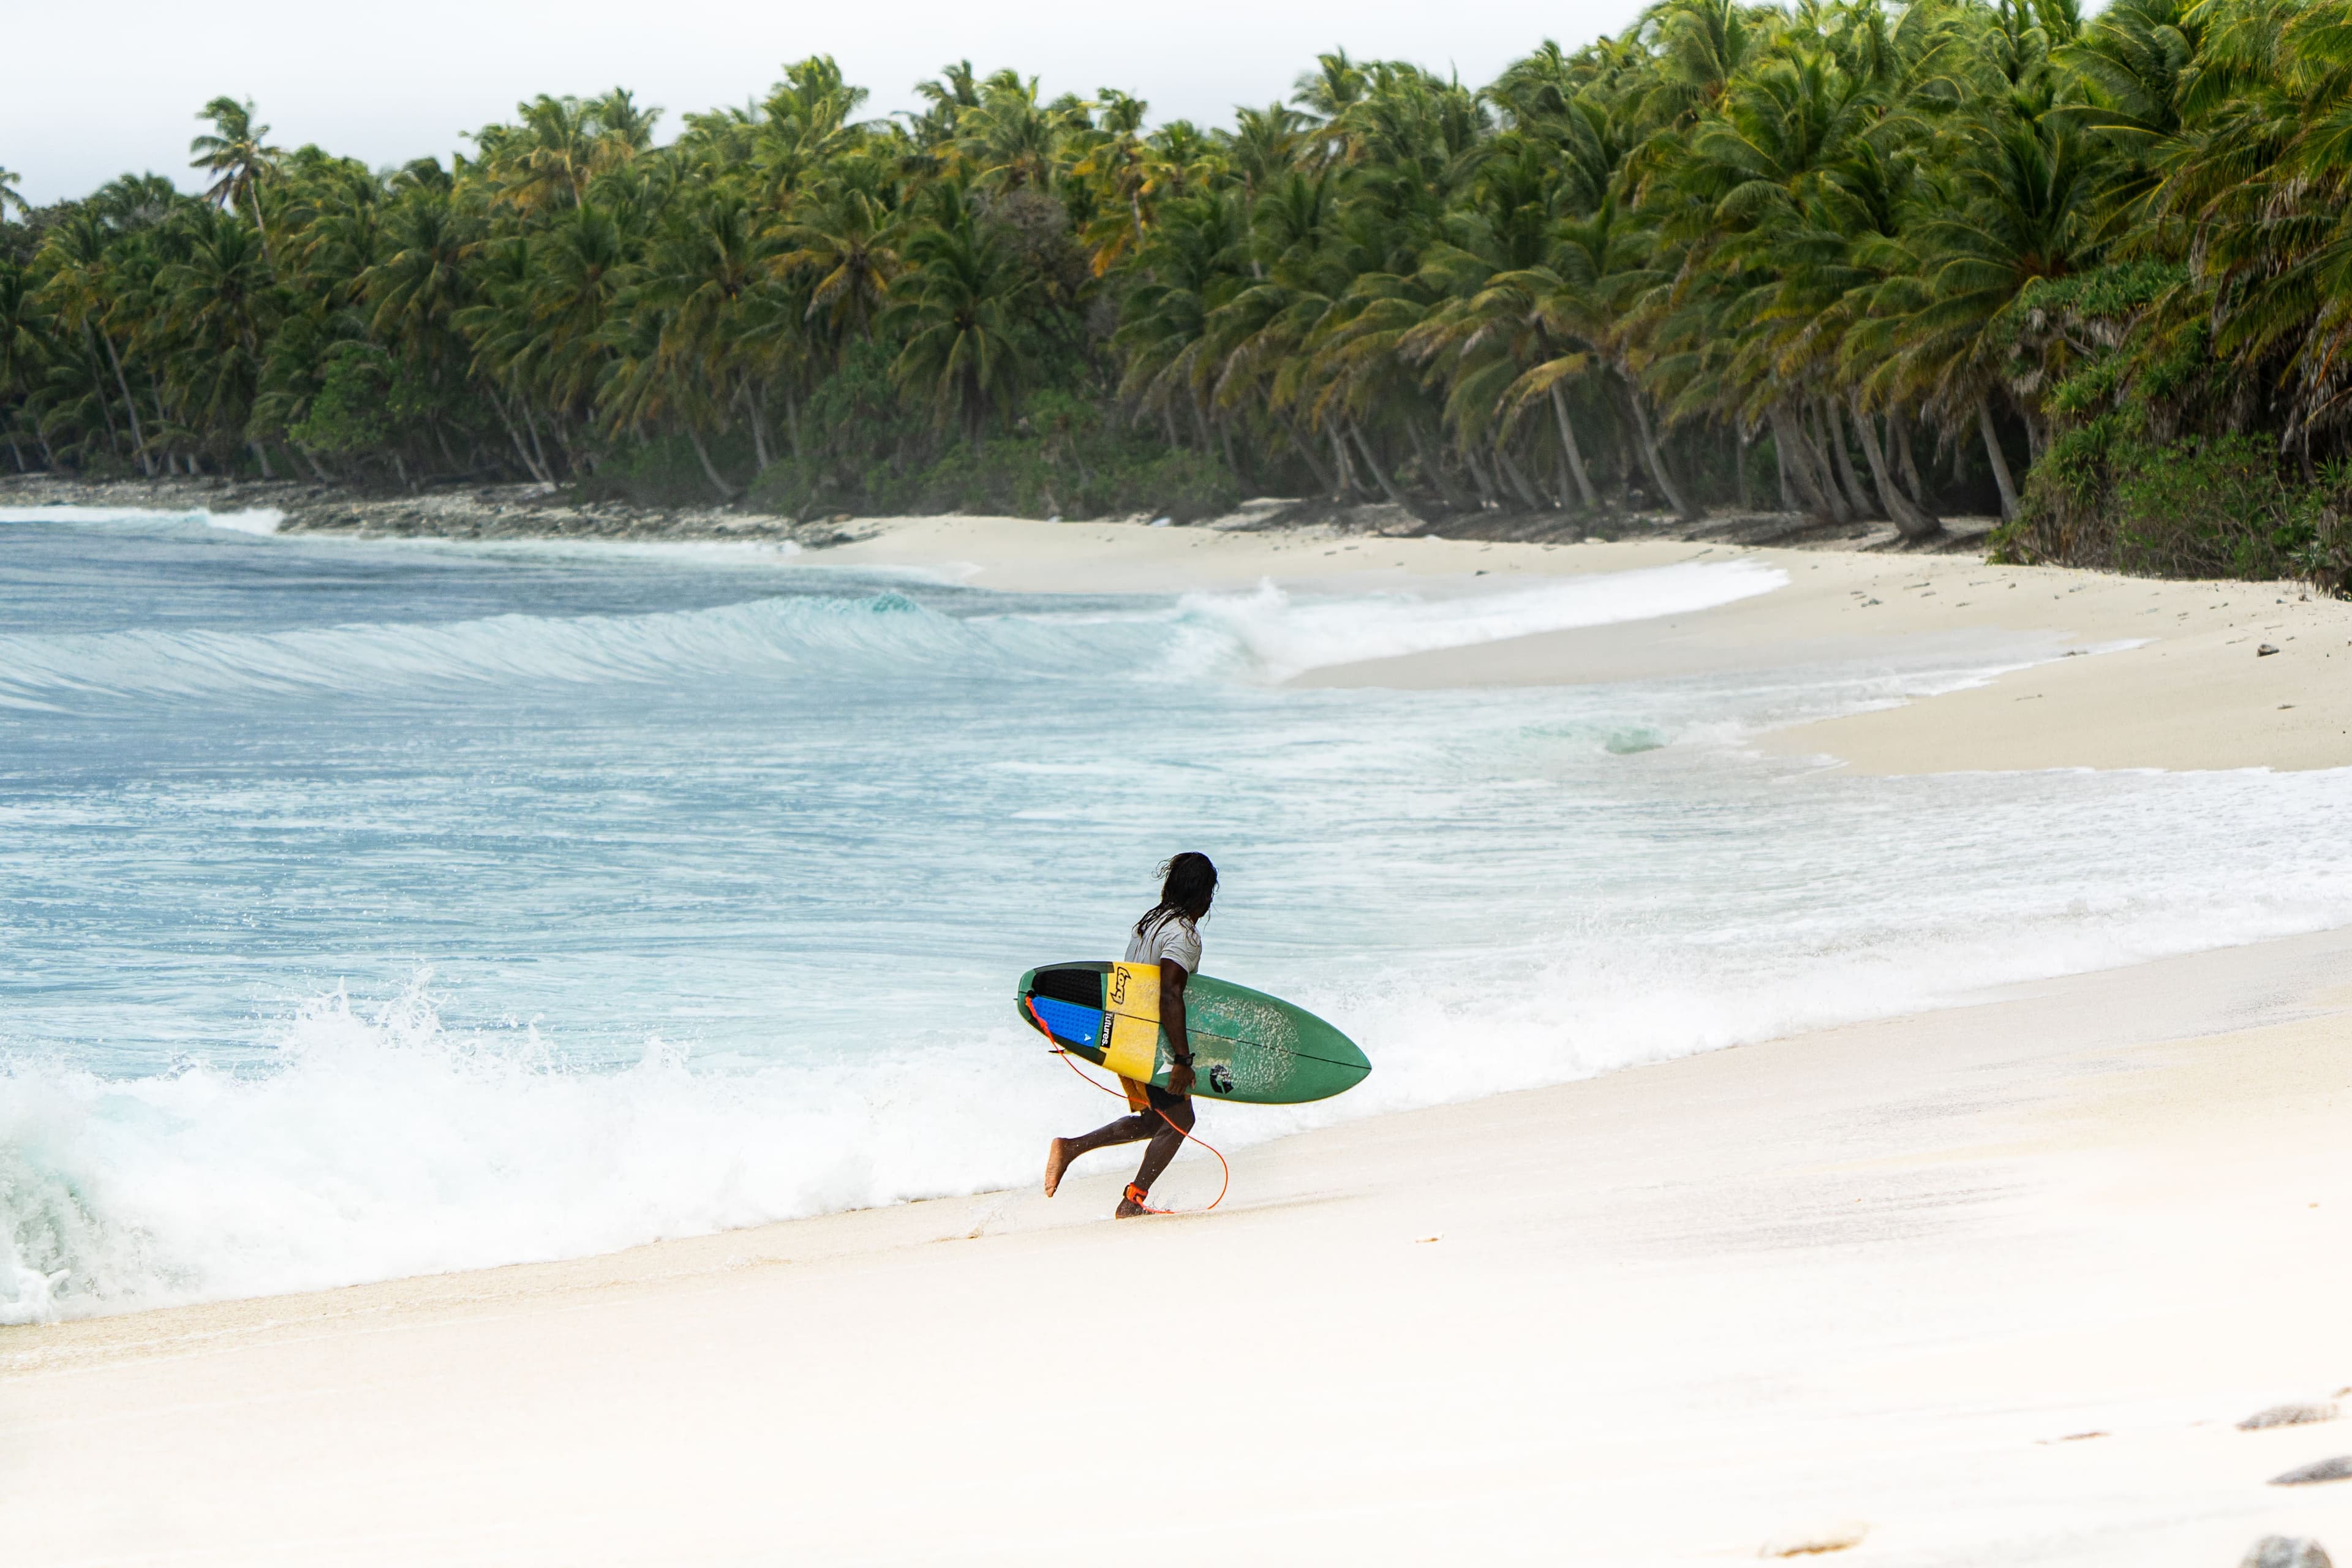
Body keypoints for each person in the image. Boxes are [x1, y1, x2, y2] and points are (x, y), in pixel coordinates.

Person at [1042, 852, 1216, 1217]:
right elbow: (1169, 995)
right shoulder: (1183, 935)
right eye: (1209, 894)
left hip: (1124, 1036)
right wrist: (1183, 1060)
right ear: (1201, 895)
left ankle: (1070, 1148)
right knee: (1182, 1120)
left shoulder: (1150, 924)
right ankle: (1132, 1200)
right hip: (1149, 1044)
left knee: (1155, 1121)